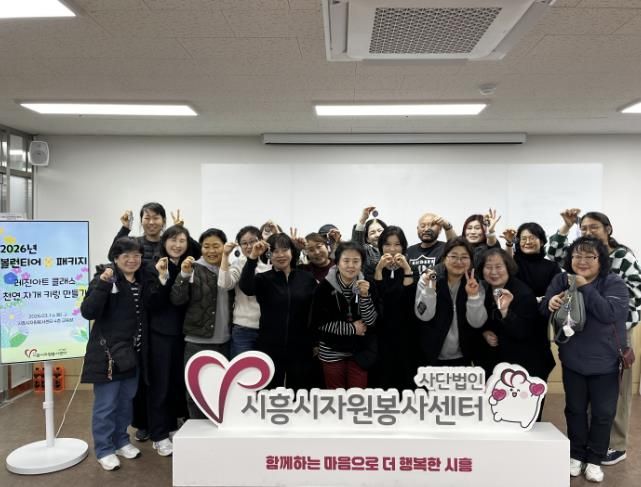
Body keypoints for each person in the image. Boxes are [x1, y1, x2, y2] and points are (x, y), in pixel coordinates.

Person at [547, 210, 641, 465]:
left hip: (615, 331)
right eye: (584, 228)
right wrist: (565, 227)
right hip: (581, 333)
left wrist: (612, 321)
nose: (588, 232)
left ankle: (615, 445)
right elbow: (553, 255)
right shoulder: (577, 258)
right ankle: (586, 447)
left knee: (613, 399)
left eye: (594, 227)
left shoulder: (621, 256)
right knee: (581, 402)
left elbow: (634, 294)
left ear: (607, 229)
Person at [540, 236, 628, 483]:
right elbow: (543, 308)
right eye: (577, 255)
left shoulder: (613, 282)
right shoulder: (561, 280)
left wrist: (585, 287)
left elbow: (610, 313)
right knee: (575, 410)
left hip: (606, 362)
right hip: (573, 360)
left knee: (603, 413)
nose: (582, 261)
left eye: (590, 256)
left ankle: (595, 460)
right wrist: (550, 303)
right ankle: (576, 455)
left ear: (601, 259)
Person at [114, 203, 199, 441]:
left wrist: (180, 230)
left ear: (163, 221)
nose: (152, 222)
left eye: (156, 217)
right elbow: (116, 254)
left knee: (173, 380)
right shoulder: (147, 255)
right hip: (151, 324)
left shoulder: (182, 260)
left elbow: (195, 250)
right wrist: (124, 229)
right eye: (147, 218)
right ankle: (150, 426)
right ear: (142, 220)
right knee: (153, 381)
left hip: (180, 329)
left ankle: (169, 423)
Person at [80, 237, 147, 471]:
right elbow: (88, 311)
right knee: (106, 405)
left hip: (131, 354)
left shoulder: (141, 281)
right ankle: (104, 448)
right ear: (116, 258)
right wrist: (103, 284)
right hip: (107, 355)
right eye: (126, 255)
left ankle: (121, 441)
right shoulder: (105, 278)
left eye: (136, 255)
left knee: (126, 402)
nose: (132, 260)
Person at [239, 233, 318, 389]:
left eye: (284, 250)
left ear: (292, 252)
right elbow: (246, 287)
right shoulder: (263, 279)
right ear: (269, 255)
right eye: (275, 251)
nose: (280, 255)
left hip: (300, 345)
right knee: (269, 390)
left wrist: (315, 341)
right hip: (270, 344)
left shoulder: (307, 278)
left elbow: (314, 312)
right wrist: (253, 257)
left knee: (300, 391)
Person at [145, 225, 197, 457]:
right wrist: (162, 277)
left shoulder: (187, 265)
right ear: (164, 242)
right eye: (173, 240)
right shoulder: (154, 266)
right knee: (160, 386)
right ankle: (158, 434)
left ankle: (173, 425)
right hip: (161, 334)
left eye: (182, 241)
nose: (177, 245)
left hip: (183, 333)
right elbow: (152, 303)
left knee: (177, 383)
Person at [170, 228, 233, 419]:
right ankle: (197, 429)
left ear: (224, 247)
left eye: (216, 246)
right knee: (195, 391)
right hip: (197, 342)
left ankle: (216, 427)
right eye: (206, 246)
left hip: (225, 342)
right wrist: (183, 275)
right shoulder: (193, 267)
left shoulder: (231, 269)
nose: (211, 251)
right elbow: (177, 300)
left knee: (221, 391)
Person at [476, 248, 555, 389]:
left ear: (508, 267)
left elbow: (523, 331)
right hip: (498, 363)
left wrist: (505, 312)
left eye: (499, 266)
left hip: (527, 365)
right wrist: (485, 331)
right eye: (488, 267)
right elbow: (483, 320)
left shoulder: (523, 294)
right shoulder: (484, 289)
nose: (493, 272)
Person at [311, 241, 378, 389]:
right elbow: (319, 322)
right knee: (336, 395)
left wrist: (365, 296)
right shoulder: (324, 287)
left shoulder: (368, 284)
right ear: (337, 262)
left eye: (356, 261)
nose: (351, 266)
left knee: (358, 395)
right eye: (346, 261)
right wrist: (352, 329)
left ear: (362, 263)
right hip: (331, 349)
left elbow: (370, 321)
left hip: (360, 351)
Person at [414, 237, 487, 366]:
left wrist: (473, 296)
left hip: (465, 354)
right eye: (453, 256)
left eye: (464, 257)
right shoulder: (429, 277)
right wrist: (429, 290)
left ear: (471, 261)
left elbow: (477, 323)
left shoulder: (474, 282)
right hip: (432, 354)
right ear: (444, 258)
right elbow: (423, 316)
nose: (459, 261)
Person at [372, 225, 417, 390]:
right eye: (387, 244)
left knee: (406, 376)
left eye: (397, 244)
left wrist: (406, 269)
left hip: (406, 331)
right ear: (381, 246)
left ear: (403, 246)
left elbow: (409, 300)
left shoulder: (410, 268)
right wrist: (378, 270)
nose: (392, 249)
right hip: (381, 331)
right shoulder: (373, 268)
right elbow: (377, 299)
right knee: (383, 377)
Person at [218, 225, 271, 357]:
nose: (249, 246)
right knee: (242, 367)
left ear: (261, 240)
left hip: (268, 327)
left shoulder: (270, 263)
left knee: (266, 367)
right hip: (243, 328)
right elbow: (224, 284)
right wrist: (225, 255)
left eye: (252, 241)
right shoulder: (239, 263)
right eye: (244, 243)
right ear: (239, 245)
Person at [407, 212, 457, 278]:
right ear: (417, 229)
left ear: (440, 229)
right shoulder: (409, 251)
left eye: (432, 225)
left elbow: (457, 247)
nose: (426, 229)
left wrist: (447, 226)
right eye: (423, 226)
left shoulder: (444, 248)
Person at [351, 205, 387, 280]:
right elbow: (357, 245)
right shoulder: (367, 251)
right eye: (372, 232)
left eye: (380, 231)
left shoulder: (396, 249)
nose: (377, 235)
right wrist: (363, 219)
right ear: (367, 239)